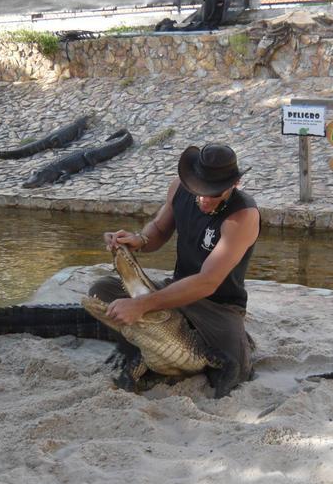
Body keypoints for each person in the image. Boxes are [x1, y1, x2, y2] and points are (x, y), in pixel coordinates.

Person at [90, 143, 260, 397]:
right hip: (176, 291)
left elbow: (207, 282)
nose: (203, 198)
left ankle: (229, 336)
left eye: (212, 193)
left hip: (217, 305)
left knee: (235, 370)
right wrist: (138, 241)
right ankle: (151, 342)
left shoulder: (242, 216)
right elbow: (158, 230)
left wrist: (142, 305)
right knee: (101, 289)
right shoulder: (178, 189)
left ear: (233, 185)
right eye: (199, 190)